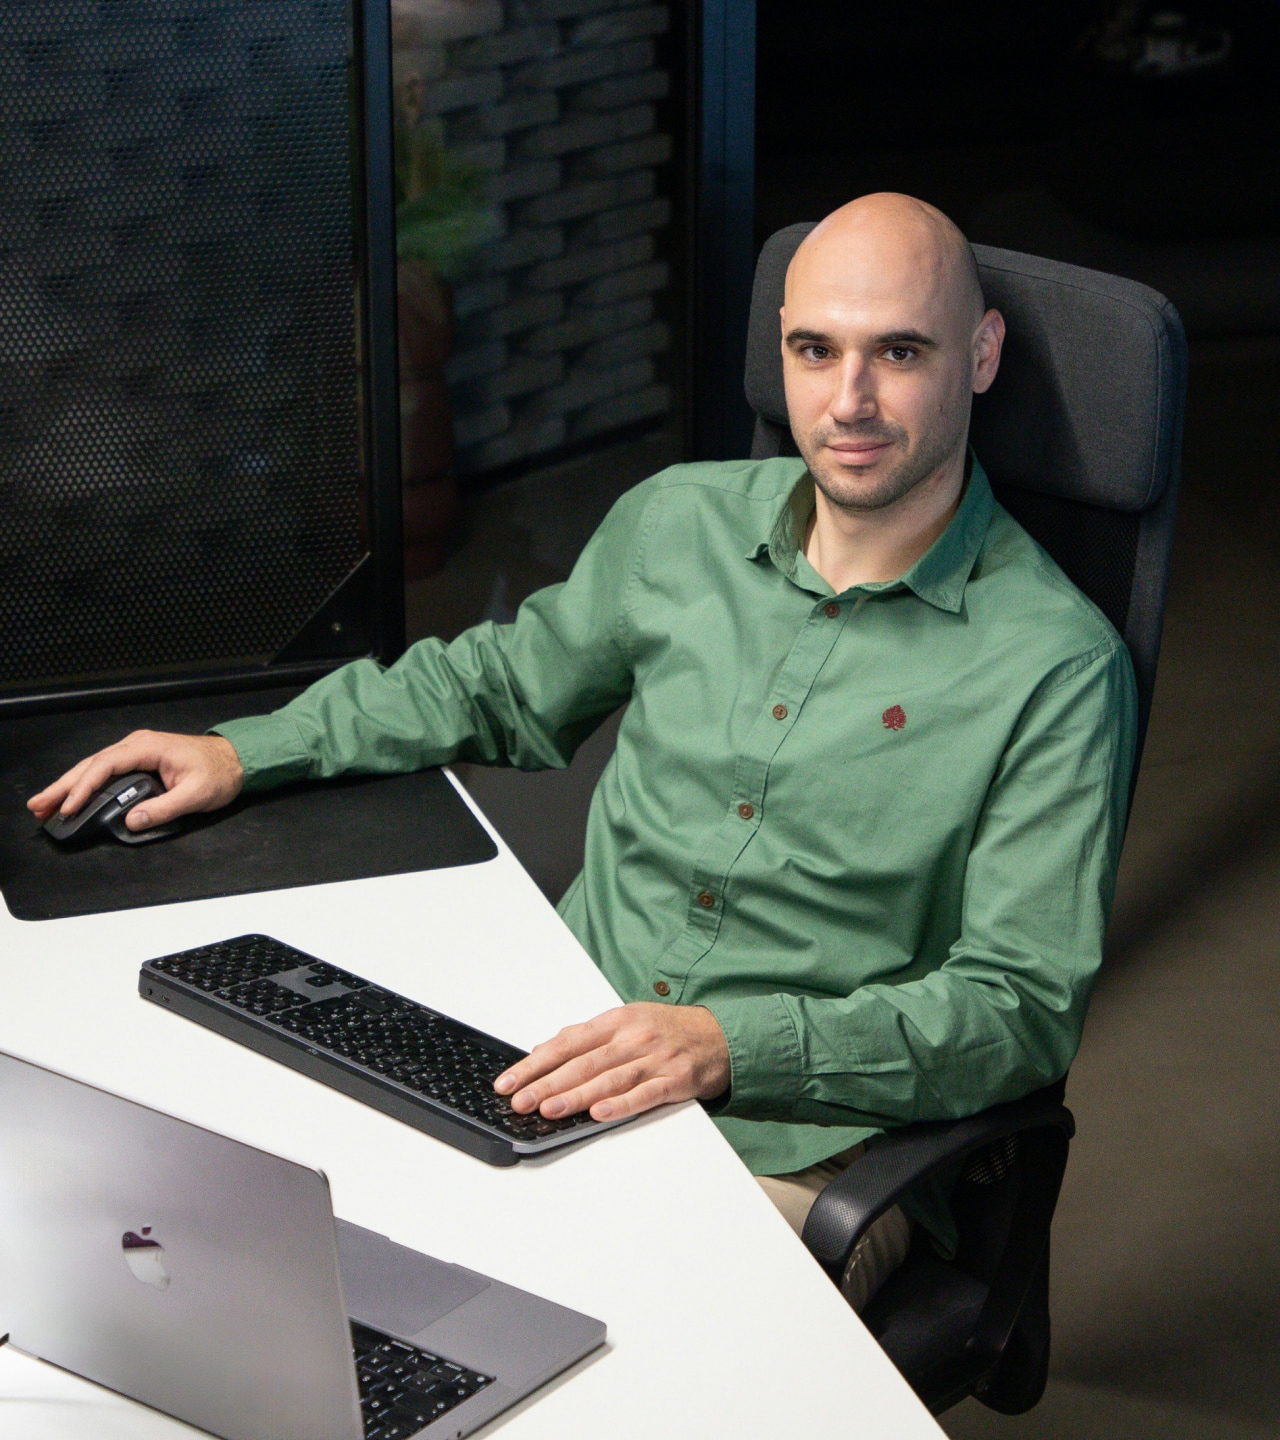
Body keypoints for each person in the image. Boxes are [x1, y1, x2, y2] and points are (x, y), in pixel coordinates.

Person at [29, 194, 1136, 1311]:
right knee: (242, 1243)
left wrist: (727, 1045)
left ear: (980, 354)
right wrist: (247, 750)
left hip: (805, 1149)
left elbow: (1016, 1009)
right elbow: (496, 684)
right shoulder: (678, 524)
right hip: (543, 1053)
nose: (848, 401)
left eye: (899, 353)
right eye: (815, 350)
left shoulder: (1052, 665)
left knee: (607, 1345)